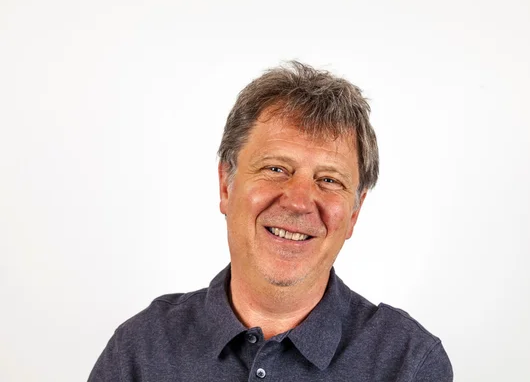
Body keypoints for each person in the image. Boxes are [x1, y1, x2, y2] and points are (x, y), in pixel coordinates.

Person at [88, 61, 453, 381]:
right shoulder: (140, 352)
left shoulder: (408, 364)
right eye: (276, 168)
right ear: (226, 185)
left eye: (329, 180)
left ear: (354, 213)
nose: (297, 202)